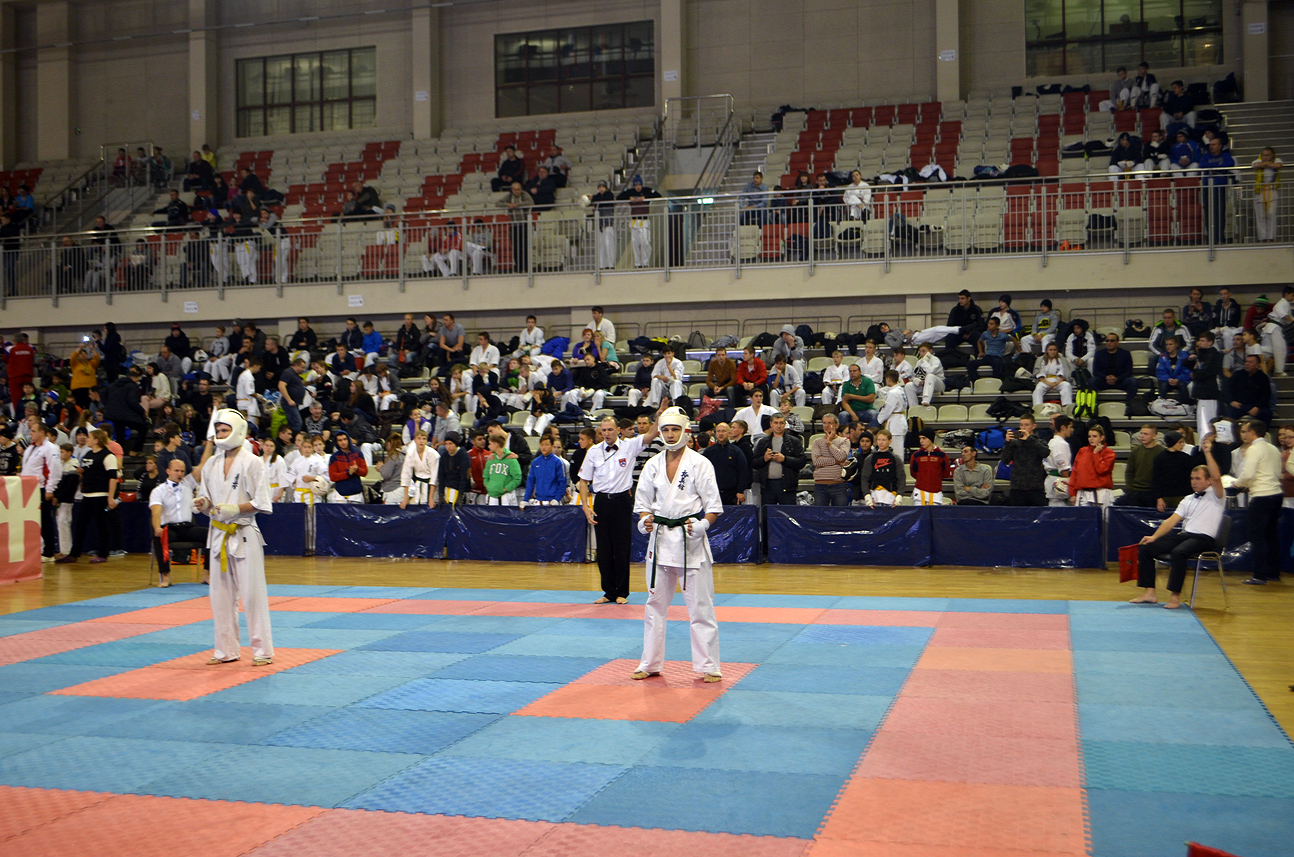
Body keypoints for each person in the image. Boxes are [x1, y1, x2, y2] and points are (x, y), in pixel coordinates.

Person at [633, 407, 724, 682]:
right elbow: (642, 503)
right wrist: (644, 520)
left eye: (675, 429)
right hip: (660, 540)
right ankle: (649, 663)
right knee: (654, 605)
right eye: (665, 430)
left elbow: (713, 505)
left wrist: (703, 525)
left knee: (700, 607)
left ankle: (709, 666)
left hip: (689, 540)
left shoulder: (700, 463)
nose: (670, 435)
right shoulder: (652, 464)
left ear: (686, 431)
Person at [194, 410, 274, 665]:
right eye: (218, 431)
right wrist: (204, 504)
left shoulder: (253, 462)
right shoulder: (211, 464)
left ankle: (263, 651)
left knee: (252, 596)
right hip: (218, 533)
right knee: (220, 597)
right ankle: (226, 650)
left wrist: (236, 509)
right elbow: (208, 499)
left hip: (244, 532)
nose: (220, 435)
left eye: (225, 430)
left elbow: (263, 502)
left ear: (238, 430)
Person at [578, 408, 663, 604]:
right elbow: (583, 480)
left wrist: (658, 417)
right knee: (604, 549)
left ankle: (622, 592)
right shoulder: (593, 451)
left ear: (618, 430)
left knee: (622, 548)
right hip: (601, 502)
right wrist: (585, 506)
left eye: (610, 429)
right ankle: (608, 592)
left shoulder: (629, 446)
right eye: (603, 430)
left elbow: (650, 435)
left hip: (622, 501)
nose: (607, 433)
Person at [1131, 437, 1225, 609]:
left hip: (1204, 539)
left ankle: (1175, 596)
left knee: (1178, 552)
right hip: (1186, 536)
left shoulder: (1216, 495)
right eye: (1192, 478)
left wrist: (1207, 452)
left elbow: (1217, 476)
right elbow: (1171, 521)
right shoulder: (1188, 499)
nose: (1193, 482)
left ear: (1208, 481)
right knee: (1146, 549)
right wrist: (1154, 537)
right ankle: (1150, 593)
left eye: (1198, 478)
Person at [57, 428, 119, 565]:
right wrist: (81, 472)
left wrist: (110, 497)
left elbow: (112, 478)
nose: (87, 439)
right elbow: (89, 471)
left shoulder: (108, 456)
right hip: (87, 494)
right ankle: (74, 554)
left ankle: (103, 554)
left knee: (101, 524)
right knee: (80, 524)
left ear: (96, 440)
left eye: (89, 437)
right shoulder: (89, 454)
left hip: (100, 495)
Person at [1232, 420, 1283, 584]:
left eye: (1245, 431)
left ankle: (1259, 575)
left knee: (1257, 536)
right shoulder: (1273, 448)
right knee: (1271, 535)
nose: (1244, 434)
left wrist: (1236, 483)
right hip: (1276, 494)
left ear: (1253, 432)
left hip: (1261, 496)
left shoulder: (1254, 449)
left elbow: (1248, 474)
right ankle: (1273, 572)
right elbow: (1277, 473)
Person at [149, 457, 209, 588]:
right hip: (169, 528)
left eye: (182, 471)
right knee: (159, 536)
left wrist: (209, 445)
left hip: (187, 527)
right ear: (168, 471)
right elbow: (156, 512)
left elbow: (203, 464)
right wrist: (157, 527)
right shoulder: (158, 491)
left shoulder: (188, 483)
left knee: (212, 534)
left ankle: (207, 574)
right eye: (176, 470)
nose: (180, 474)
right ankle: (165, 575)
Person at [21, 421, 61, 561]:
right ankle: (36, 548)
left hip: (41, 488)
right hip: (28, 488)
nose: (30, 434)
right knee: (31, 521)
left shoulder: (50, 448)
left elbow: (54, 470)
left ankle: (49, 552)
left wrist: (50, 489)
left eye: (33, 431)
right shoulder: (31, 448)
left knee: (45, 520)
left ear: (42, 432)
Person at [751, 413, 805, 506]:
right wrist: (764, 459)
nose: (778, 426)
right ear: (771, 424)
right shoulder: (763, 442)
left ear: (785, 424)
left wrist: (785, 459)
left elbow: (802, 462)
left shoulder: (794, 441)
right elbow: (754, 463)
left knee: (787, 513)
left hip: (787, 486)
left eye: (781, 423)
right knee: (768, 513)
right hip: (767, 486)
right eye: (776, 423)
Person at [615, 175, 662, 267]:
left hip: (644, 220)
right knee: (635, 243)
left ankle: (645, 262)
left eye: (639, 185)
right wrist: (629, 198)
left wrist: (645, 197)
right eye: (636, 185)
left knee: (645, 242)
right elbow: (619, 197)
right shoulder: (630, 192)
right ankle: (638, 263)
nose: (638, 187)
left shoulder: (647, 190)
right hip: (634, 221)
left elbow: (658, 195)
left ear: (642, 185)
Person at [1002, 415, 1048, 506]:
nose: (1023, 428)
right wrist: (1007, 442)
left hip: (1035, 486)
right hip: (1017, 487)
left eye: (1026, 425)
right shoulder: (1014, 442)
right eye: (1021, 425)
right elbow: (1005, 460)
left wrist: (1029, 439)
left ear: (1033, 426)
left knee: (1040, 512)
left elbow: (1045, 453)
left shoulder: (1039, 442)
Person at [1198, 136, 1236, 245]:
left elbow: (1230, 163)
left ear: (1220, 146)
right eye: (1210, 145)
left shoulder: (1225, 155)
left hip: (1220, 186)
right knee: (1208, 213)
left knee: (1220, 212)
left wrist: (1213, 169)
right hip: (1207, 187)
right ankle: (1211, 238)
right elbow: (1202, 165)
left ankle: (1220, 237)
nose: (1211, 147)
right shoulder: (1206, 156)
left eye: (1214, 145)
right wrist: (1218, 168)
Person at [1116, 424, 1165, 507]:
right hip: (1136, 492)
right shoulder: (1136, 451)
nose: (1142, 436)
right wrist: (1130, 490)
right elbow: (1129, 472)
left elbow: (1163, 475)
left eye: (1146, 434)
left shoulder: (1161, 452)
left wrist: (1160, 495)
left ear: (1154, 436)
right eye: (1141, 433)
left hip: (1153, 492)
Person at [702, 422, 750, 506]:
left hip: (731, 494)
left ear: (728, 433)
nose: (721, 434)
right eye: (718, 431)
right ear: (715, 433)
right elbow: (702, 472)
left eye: (723, 431)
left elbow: (743, 471)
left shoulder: (736, 451)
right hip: (713, 492)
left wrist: (740, 491)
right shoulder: (708, 452)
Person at [1069, 425, 1116, 507]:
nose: (1091, 439)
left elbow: (1102, 470)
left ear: (1101, 438)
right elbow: (1075, 473)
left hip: (1101, 493)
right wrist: (1073, 493)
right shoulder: (1082, 451)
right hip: (1083, 493)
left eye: (1094, 436)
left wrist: (1096, 454)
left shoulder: (1109, 453)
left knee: (1102, 515)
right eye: (1089, 436)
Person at [1151, 430, 1194, 513]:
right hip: (1165, 496)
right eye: (1180, 442)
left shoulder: (1186, 458)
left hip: (1183, 496)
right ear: (1172, 443)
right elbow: (1156, 479)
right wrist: (1159, 498)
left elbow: (1189, 479)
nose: (1183, 444)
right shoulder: (1159, 458)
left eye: (1183, 442)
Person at [1093, 332, 1138, 403]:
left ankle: (1131, 405)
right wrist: (1106, 377)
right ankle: (1093, 405)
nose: (1109, 343)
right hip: (1104, 381)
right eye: (1107, 341)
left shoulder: (1125, 354)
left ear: (1117, 342)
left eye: (1112, 341)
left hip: (1120, 381)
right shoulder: (1099, 354)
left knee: (1132, 381)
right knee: (1092, 381)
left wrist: (1117, 378)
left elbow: (1128, 372)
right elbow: (1095, 371)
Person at [399, 429, 439, 508]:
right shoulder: (410, 454)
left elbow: (434, 477)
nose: (421, 441)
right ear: (414, 440)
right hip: (418, 484)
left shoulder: (433, 454)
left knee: (431, 508)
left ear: (427, 441)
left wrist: (431, 498)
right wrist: (406, 498)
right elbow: (406, 474)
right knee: (418, 505)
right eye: (419, 438)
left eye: (424, 439)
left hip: (432, 487)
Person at [1228, 354, 1273, 424]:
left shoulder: (1263, 377)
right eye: (1246, 362)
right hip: (1239, 405)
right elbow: (1227, 390)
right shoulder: (1237, 375)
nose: (1247, 364)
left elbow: (1266, 395)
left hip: (1256, 406)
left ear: (1257, 365)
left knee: (1267, 413)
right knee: (1229, 412)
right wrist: (1231, 401)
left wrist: (1257, 407)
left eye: (1250, 362)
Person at [523, 434, 567, 506]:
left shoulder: (558, 462)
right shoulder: (535, 462)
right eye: (542, 445)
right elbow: (530, 481)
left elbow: (562, 483)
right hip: (538, 501)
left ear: (552, 446)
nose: (544, 447)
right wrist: (525, 499)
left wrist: (557, 499)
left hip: (553, 501)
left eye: (547, 445)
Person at [909, 428, 949, 505]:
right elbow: (913, 472)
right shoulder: (916, 455)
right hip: (919, 492)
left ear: (931, 439)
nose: (921, 441)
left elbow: (945, 473)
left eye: (924, 438)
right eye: (920, 438)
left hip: (936, 493)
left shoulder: (942, 455)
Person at [1252, 147, 1283, 243]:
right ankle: (1262, 237)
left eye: (1268, 155)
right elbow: (1256, 165)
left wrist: (1265, 164)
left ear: (1272, 155)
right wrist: (1267, 164)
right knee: (1261, 215)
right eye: (1264, 155)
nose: (1265, 157)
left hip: (1272, 190)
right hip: (1260, 190)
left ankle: (1271, 237)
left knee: (1271, 214)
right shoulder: (1258, 160)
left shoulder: (1276, 160)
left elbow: (1278, 165)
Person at [327, 430, 368, 504]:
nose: (343, 442)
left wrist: (357, 469)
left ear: (348, 440)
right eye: (340, 440)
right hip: (340, 495)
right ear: (337, 442)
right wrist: (348, 473)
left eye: (345, 439)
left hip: (356, 495)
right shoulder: (334, 457)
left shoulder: (358, 453)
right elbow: (333, 477)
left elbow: (365, 472)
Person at [865, 429, 902, 506]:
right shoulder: (870, 458)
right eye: (879, 440)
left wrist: (899, 495)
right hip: (874, 497)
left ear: (890, 441)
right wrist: (867, 495)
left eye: (883, 440)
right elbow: (864, 477)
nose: (881, 442)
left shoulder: (895, 459)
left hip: (891, 497)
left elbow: (901, 478)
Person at [482, 432, 522, 505]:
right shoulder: (491, 459)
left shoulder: (511, 460)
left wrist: (506, 488)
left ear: (496, 444)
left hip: (506, 496)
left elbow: (517, 478)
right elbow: (485, 476)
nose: (488, 446)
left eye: (490, 444)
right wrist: (488, 486)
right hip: (491, 495)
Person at [969, 316, 1011, 381]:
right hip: (988, 356)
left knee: (997, 364)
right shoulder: (985, 334)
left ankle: (996, 381)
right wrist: (980, 351)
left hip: (997, 357)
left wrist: (1020, 350)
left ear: (997, 326)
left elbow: (1013, 339)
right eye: (988, 323)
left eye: (991, 324)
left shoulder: (1003, 335)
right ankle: (976, 381)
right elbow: (979, 341)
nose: (989, 325)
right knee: (970, 364)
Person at [1033, 341, 1074, 407]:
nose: (1053, 352)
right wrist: (1049, 383)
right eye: (1050, 350)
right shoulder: (1041, 360)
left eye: (1054, 350)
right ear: (1047, 351)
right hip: (1045, 380)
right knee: (1038, 389)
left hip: (1057, 380)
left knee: (1067, 385)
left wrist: (1055, 383)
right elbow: (1040, 375)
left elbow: (1063, 374)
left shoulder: (1061, 360)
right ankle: (1038, 407)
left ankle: (1066, 406)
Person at [1044, 416, 1074, 506]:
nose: (1072, 430)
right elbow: (1064, 470)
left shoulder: (1051, 441)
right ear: (1063, 427)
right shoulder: (1061, 444)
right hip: (1059, 483)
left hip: (1052, 480)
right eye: (1070, 427)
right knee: (1060, 510)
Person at [838, 362, 878, 428]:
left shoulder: (868, 382)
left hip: (866, 410)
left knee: (875, 414)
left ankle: (872, 433)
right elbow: (844, 403)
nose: (852, 373)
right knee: (842, 415)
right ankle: (846, 433)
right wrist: (853, 415)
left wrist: (852, 396)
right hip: (852, 410)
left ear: (860, 372)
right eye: (850, 371)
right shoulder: (846, 385)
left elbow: (871, 399)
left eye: (854, 371)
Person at [1155, 335, 1192, 400]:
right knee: (1163, 385)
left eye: (1170, 344)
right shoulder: (1162, 357)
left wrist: (1178, 379)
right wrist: (1168, 379)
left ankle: (1185, 404)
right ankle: (1161, 402)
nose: (1168, 347)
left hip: (1180, 380)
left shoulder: (1185, 356)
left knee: (1183, 385)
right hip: (1167, 380)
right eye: (1166, 345)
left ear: (1176, 345)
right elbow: (1160, 371)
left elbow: (1187, 371)